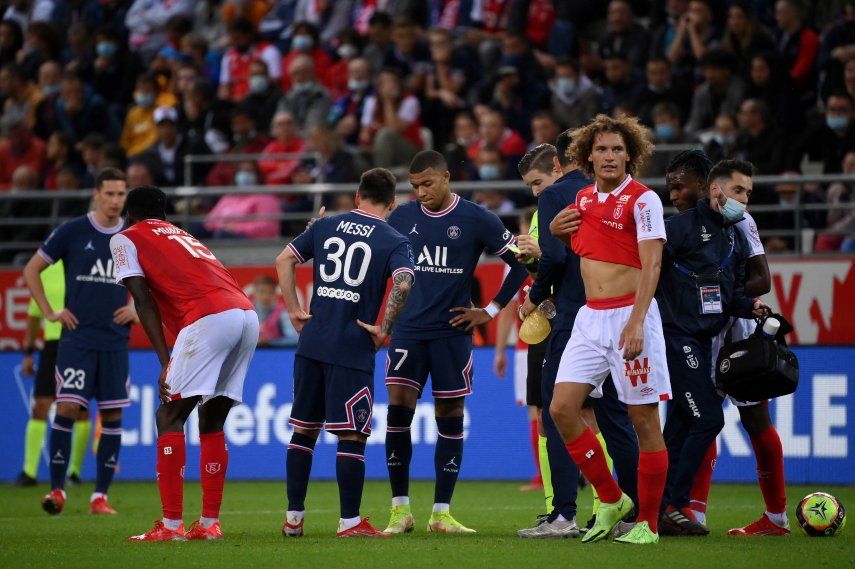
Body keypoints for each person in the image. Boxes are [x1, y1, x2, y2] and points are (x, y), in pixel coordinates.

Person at [381, 150, 528, 534]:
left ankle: (441, 513)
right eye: (414, 186)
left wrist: (491, 311)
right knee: (398, 412)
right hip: (408, 332)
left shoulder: (477, 218)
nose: (421, 192)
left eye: (428, 183)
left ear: (446, 178)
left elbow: (520, 262)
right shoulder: (401, 217)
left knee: (450, 415)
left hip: (452, 334)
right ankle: (400, 511)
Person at [109, 185, 258, 542]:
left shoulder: (125, 238)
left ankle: (171, 526)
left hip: (207, 317)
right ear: (164, 215)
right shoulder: (182, 235)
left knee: (169, 414)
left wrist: (166, 360)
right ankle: (209, 525)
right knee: (211, 416)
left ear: (128, 214)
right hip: (245, 315)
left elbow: (142, 299)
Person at [548, 114, 669, 545]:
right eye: (601, 149)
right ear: (587, 156)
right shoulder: (581, 200)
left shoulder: (643, 199)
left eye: (618, 149)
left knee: (643, 418)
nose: (609, 156)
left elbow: (652, 262)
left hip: (630, 315)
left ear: (631, 155)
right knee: (562, 408)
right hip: (590, 316)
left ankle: (650, 525)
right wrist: (555, 235)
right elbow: (591, 253)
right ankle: (611, 497)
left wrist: (637, 321)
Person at [277, 168, 415, 538]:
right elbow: (403, 280)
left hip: (312, 342)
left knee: (303, 431)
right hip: (352, 346)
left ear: (357, 196)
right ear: (393, 203)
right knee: (352, 435)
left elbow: (283, 260)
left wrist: (293, 308)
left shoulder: (324, 226)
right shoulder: (394, 239)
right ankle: (350, 521)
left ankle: (293, 518)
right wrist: (385, 327)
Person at [664, 151, 789, 537]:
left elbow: (759, 279)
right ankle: (682, 508)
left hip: (726, 330)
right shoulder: (678, 228)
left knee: (738, 417)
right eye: (670, 188)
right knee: (696, 415)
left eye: (680, 187)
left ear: (706, 188)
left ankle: (774, 516)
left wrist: (738, 301)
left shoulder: (738, 224)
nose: (673, 195)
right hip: (692, 330)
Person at [23, 168, 136, 516]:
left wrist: (134, 307)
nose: (116, 201)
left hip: (116, 342)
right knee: (68, 408)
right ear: (96, 194)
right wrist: (50, 312)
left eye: (121, 195)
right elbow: (31, 270)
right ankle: (57, 490)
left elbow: (155, 280)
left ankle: (99, 497)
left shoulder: (134, 236)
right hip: (77, 340)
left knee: (112, 415)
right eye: (110, 194)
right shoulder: (73, 231)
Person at [13, 260, 92, 487]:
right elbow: (34, 314)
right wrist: (28, 352)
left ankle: (74, 473)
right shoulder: (44, 270)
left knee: (80, 409)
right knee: (40, 406)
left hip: (79, 342)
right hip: (52, 345)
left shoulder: (84, 265)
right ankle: (29, 473)